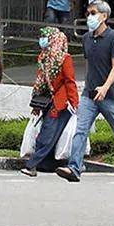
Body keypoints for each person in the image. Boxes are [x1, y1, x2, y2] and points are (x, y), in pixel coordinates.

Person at [56, 0, 114, 184]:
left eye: (93, 13)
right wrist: (88, 85)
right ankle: (74, 167)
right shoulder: (87, 38)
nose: (89, 17)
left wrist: (105, 87)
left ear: (104, 16)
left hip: (110, 96)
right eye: (88, 13)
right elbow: (90, 64)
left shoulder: (113, 37)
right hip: (89, 94)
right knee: (80, 130)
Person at [20, 26, 78, 177]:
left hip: (62, 103)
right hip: (48, 101)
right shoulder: (44, 57)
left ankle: (31, 165)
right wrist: (36, 104)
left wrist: (74, 103)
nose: (42, 40)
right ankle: (48, 164)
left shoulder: (64, 58)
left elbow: (70, 82)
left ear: (54, 39)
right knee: (48, 133)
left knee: (48, 134)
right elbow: (40, 83)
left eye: (46, 37)